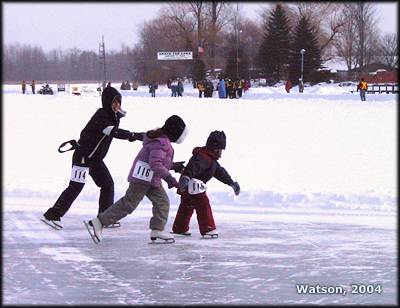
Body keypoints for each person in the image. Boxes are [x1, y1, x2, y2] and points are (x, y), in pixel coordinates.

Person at [41, 87, 144, 230]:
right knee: (76, 187)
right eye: (114, 102)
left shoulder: (113, 116)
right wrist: (132, 135)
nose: (117, 105)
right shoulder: (101, 116)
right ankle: (52, 215)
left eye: (119, 103)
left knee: (107, 184)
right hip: (83, 157)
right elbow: (111, 131)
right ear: (107, 102)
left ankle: (105, 217)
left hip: (94, 159)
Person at [84, 115, 188, 244]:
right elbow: (155, 164)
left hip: (151, 179)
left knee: (162, 202)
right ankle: (99, 222)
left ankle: (157, 229)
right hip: (142, 179)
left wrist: (173, 166)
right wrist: (169, 178)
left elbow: (159, 162)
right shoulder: (161, 143)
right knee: (129, 204)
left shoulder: (161, 141)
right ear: (174, 132)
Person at [172, 131, 240, 238]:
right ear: (216, 148)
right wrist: (186, 177)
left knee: (186, 207)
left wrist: (231, 183)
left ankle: (179, 228)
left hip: (189, 187)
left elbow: (221, 173)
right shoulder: (204, 157)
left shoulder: (211, 160)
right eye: (221, 149)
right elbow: (193, 167)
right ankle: (208, 229)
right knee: (203, 206)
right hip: (193, 186)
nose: (221, 152)